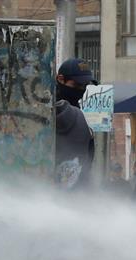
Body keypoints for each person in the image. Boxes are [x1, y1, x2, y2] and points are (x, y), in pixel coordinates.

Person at [54, 59, 95, 191]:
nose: (81, 90)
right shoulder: (49, 108)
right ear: (60, 79)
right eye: (77, 85)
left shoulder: (79, 114)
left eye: (84, 86)